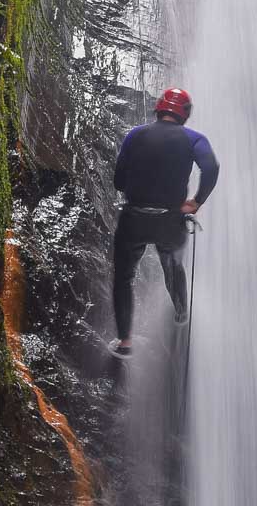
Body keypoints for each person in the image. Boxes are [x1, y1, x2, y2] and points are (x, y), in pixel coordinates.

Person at [108, 87, 219, 359]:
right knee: (173, 264)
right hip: (170, 220)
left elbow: (119, 181)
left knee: (124, 277)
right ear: (185, 113)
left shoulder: (135, 135)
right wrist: (196, 201)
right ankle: (181, 313)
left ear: (159, 108)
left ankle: (125, 342)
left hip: (134, 219)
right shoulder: (194, 139)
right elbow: (211, 167)